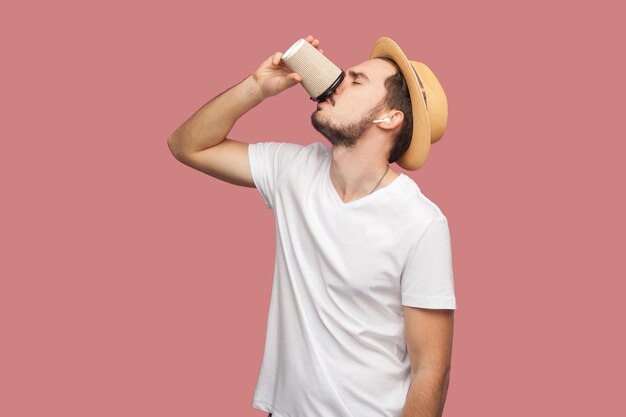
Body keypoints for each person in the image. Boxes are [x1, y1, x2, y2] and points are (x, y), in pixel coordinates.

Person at [167, 35, 457, 417]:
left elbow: (430, 370)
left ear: (389, 118)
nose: (336, 81)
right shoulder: (294, 170)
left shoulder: (421, 223)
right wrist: (255, 88)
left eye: (356, 80)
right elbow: (187, 145)